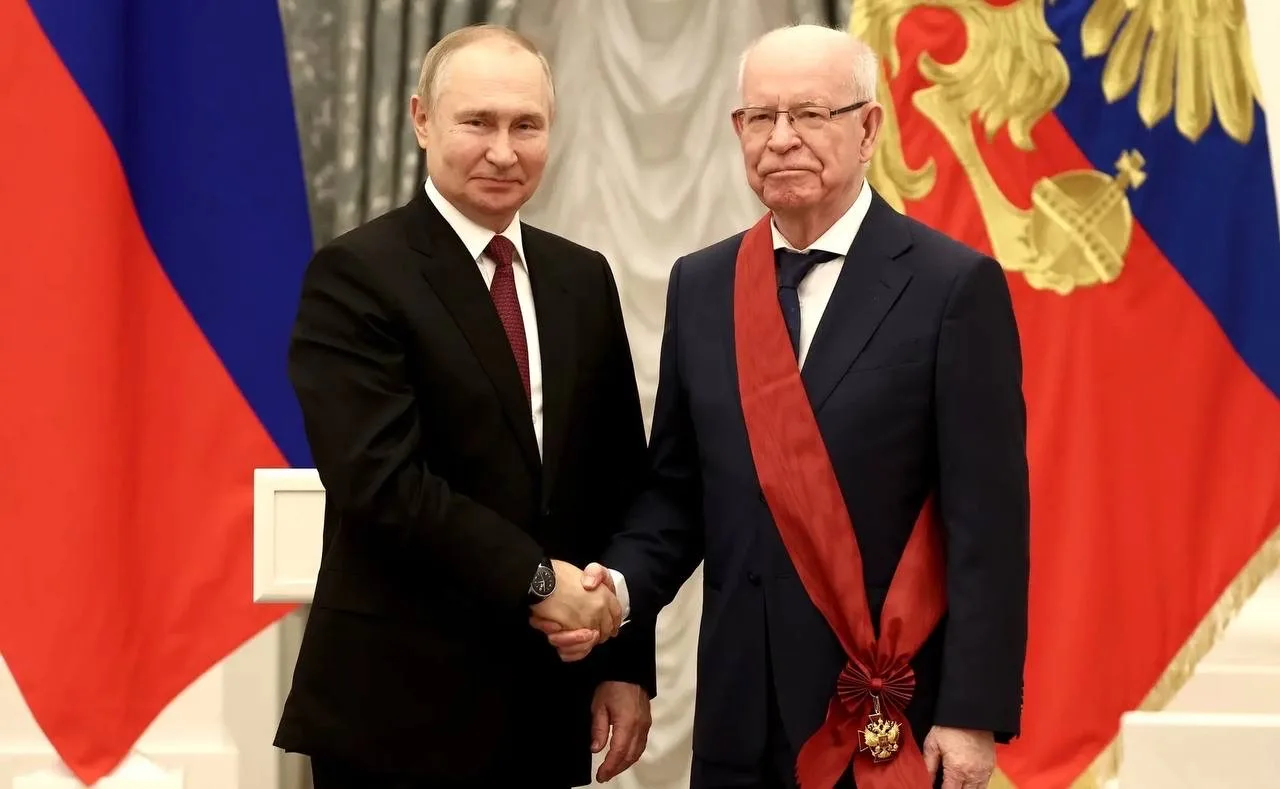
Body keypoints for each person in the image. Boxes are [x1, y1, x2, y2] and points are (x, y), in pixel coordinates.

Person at [538, 23, 1030, 789]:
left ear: (868, 129)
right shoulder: (703, 285)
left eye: (810, 114)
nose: (781, 139)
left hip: (884, 708)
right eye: (760, 117)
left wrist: (972, 713)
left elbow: (987, 525)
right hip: (737, 710)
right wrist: (618, 592)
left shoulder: (951, 286)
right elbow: (676, 493)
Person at [273, 25, 656, 789]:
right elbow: (381, 482)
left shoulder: (582, 277)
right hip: (395, 711)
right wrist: (540, 581)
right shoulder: (356, 274)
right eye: (477, 122)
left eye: (526, 125)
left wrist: (623, 661)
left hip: (543, 706)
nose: (503, 151)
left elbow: (617, 480)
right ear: (422, 120)